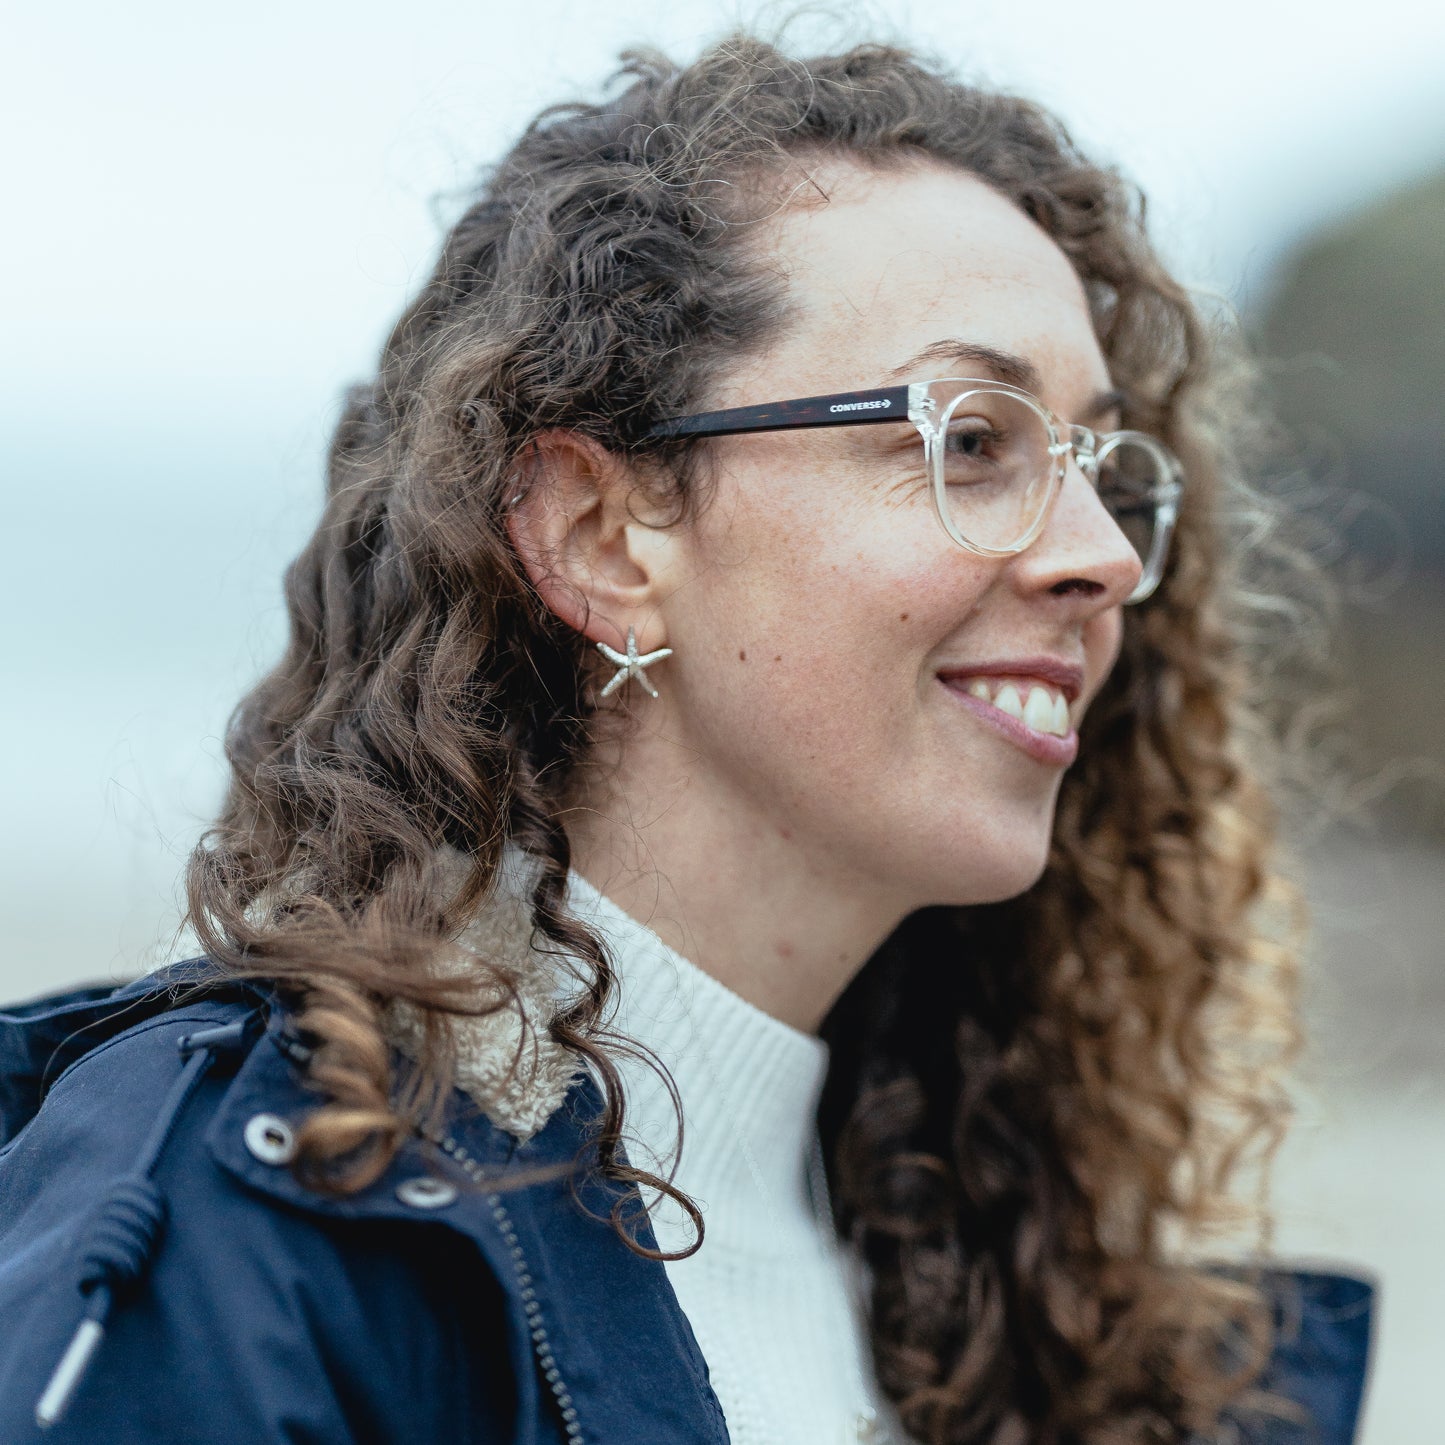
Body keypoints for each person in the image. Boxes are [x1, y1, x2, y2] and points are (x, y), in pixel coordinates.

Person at [0, 33, 1374, 1445]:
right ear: (602, 535)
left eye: (1096, 464)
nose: (1097, 557)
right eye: (969, 439)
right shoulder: (245, 1224)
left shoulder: (1025, 1288)